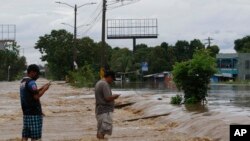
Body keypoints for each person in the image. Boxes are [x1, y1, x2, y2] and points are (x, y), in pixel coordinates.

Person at [20, 64, 50, 141]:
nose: (37, 76)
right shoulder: (32, 83)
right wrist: (45, 89)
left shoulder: (23, 82)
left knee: (25, 136)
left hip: (26, 114)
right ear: (32, 72)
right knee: (35, 138)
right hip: (34, 114)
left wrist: (42, 87)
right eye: (37, 74)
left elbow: (32, 93)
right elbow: (36, 96)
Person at [95, 70, 120, 139]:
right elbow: (107, 98)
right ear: (109, 77)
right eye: (112, 79)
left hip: (100, 110)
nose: (112, 81)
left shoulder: (99, 82)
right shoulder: (105, 84)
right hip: (105, 111)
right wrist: (115, 96)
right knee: (102, 131)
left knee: (100, 131)